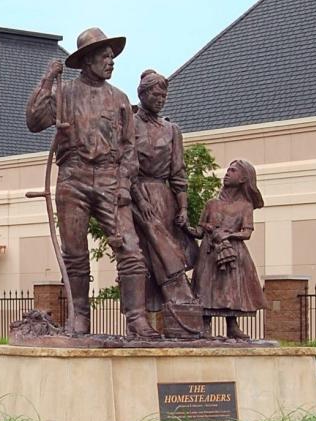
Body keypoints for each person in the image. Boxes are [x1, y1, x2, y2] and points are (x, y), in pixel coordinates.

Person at [26, 27, 157, 338]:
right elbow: (33, 121)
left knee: (130, 248)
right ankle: (80, 317)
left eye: (112, 56)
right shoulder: (65, 93)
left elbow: (129, 148)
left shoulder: (120, 99)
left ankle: (137, 318)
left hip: (111, 180)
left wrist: (124, 184)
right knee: (75, 252)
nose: (111, 61)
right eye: (104, 55)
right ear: (87, 60)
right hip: (74, 177)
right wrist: (47, 79)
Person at [131, 69, 199, 319]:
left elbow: (178, 174)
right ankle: (140, 320)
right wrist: (139, 199)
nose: (161, 100)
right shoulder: (129, 123)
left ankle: (177, 313)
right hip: (138, 196)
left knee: (173, 253)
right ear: (143, 94)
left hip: (165, 198)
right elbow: (126, 166)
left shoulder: (172, 130)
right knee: (144, 259)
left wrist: (182, 208)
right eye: (156, 95)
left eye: (164, 96)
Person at [192, 159, 267, 339]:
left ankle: (232, 326)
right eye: (228, 170)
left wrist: (229, 235)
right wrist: (185, 228)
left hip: (233, 253)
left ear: (243, 179)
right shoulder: (212, 204)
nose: (227, 173)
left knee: (231, 289)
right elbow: (200, 231)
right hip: (209, 252)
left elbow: (247, 233)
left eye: (233, 171)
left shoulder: (245, 206)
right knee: (205, 287)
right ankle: (205, 326)